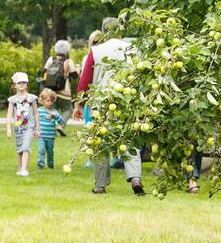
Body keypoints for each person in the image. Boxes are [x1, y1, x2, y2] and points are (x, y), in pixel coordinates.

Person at [75, 17, 144, 195]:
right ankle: (135, 177)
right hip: (126, 102)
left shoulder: (96, 51)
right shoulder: (133, 49)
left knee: (100, 143)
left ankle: (100, 185)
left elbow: (85, 80)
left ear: (104, 31)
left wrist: (79, 104)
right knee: (130, 140)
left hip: (101, 105)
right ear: (120, 30)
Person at [42, 39, 77, 134]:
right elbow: (75, 76)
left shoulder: (51, 59)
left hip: (51, 91)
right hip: (64, 92)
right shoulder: (68, 61)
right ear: (67, 50)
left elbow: (44, 72)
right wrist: (76, 69)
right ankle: (61, 126)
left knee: (53, 109)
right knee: (68, 109)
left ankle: (50, 129)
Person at [6, 72, 37, 176]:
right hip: (18, 128)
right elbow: (9, 115)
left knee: (26, 147)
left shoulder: (31, 98)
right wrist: (8, 129)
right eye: (19, 83)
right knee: (19, 149)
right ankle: (20, 169)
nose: (22, 85)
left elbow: (36, 114)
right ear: (15, 85)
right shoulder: (12, 100)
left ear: (27, 84)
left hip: (29, 127)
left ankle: (24, 169)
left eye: (24, 82)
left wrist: (38, 128)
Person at [36, 88, 64, 170]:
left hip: (51, 136)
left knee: (50, 152)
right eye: (48, 101)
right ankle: (40, 166)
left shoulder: (54, 112)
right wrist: (35, 130)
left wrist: (56, 116)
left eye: (52, 101)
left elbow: (61, 121)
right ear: (42, 100)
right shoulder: (39, 111)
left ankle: (50, 165)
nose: (50, 103)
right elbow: (35, 121)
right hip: (41, 135)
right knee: (41, 150)